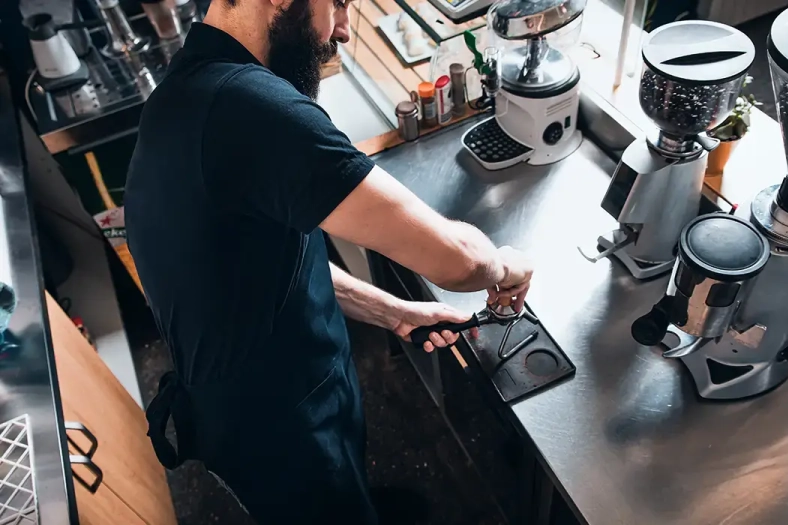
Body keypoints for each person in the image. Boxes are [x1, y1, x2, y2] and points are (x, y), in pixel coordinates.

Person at [123, 0, 533, 522]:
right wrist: (506, 264)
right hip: (285, 432)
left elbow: (263, 263)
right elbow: (458, 260)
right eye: (338, 3)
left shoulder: (187, 89)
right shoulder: (253, 109)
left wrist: (392, 311)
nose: (342, 29)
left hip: (256, 409)